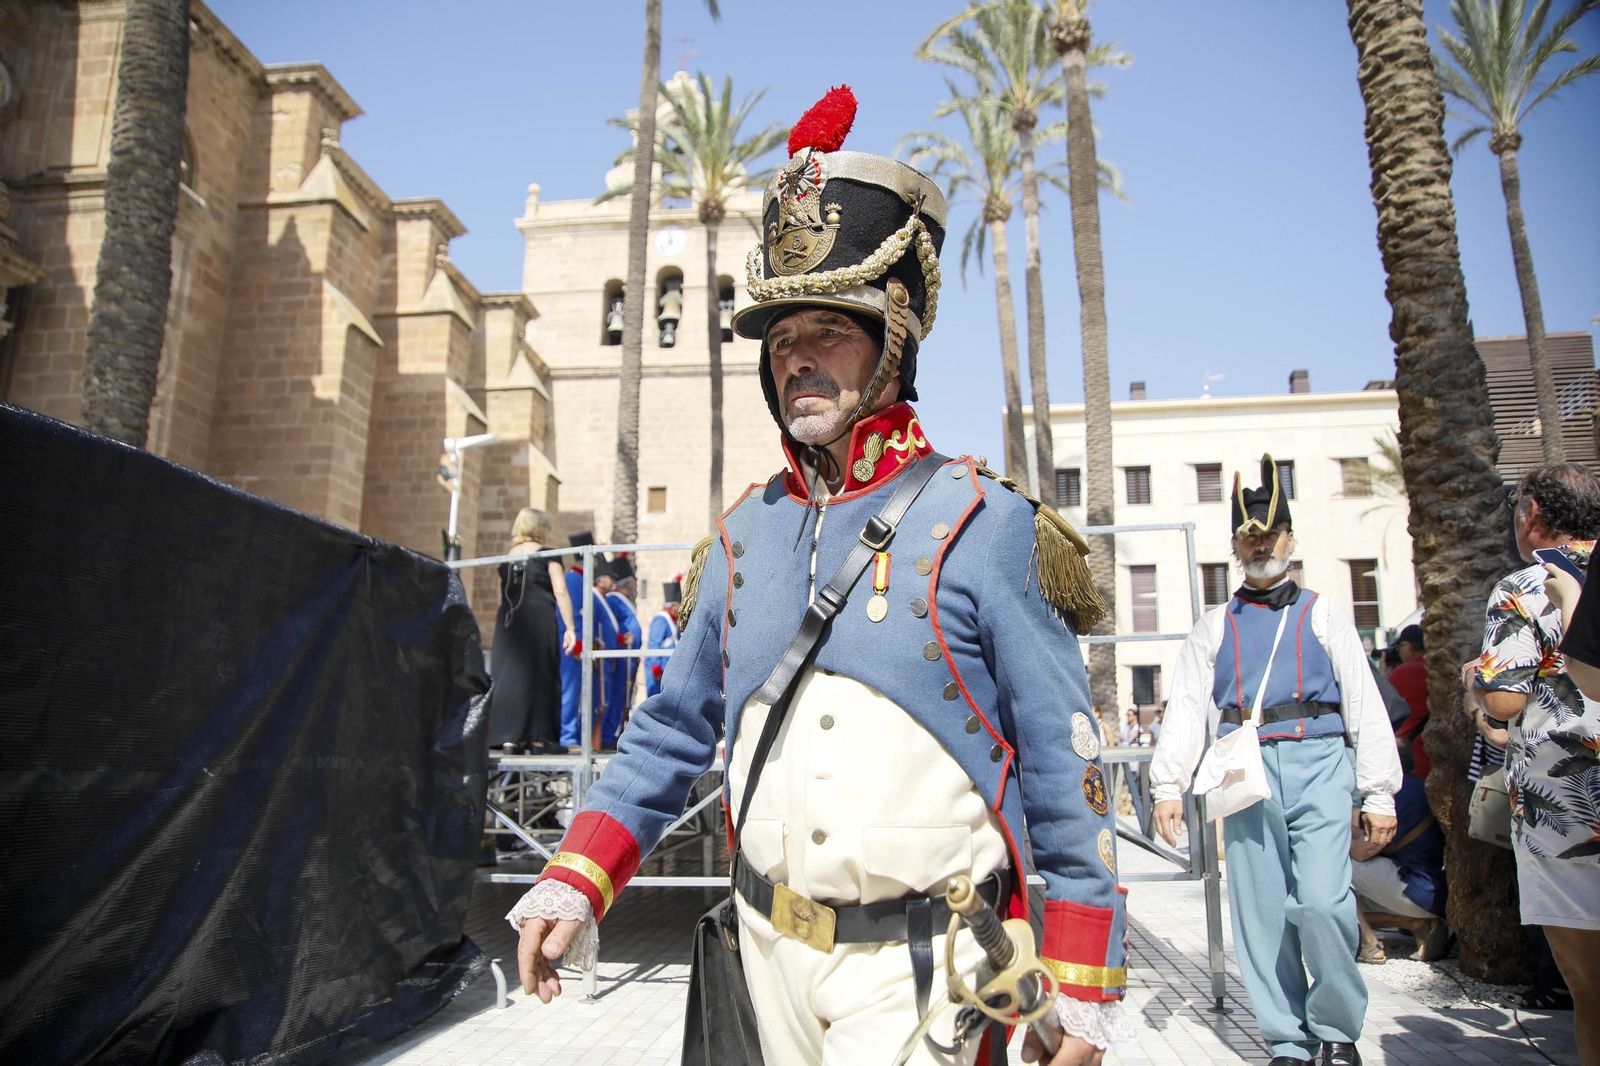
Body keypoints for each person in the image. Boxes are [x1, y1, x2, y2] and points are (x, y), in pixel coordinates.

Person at [506, 86, 1130, 1066]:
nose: (799, 361)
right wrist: (577, 875)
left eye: (829, 334)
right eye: (782, 341)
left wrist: (1082, 983)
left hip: (930, 970)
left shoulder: (988, 524)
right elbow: (670, 731)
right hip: (763, 962)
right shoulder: (744, 536)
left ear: (895, 342)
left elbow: (1064, 769)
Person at [1150, 456, 1401, 1066]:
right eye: (1249, 536)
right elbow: (1185, 707)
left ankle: (1338, 1031)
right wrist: (1166, 785)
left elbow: (1364, 702)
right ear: (1235, 546)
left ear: (1291, 538)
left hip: (1318, 762)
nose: (1260, 544)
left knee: (1322, 902)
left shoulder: (1324, 614)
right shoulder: (1213, 627)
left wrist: (1379, 792)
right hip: (1244, 771)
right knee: (1261, 914)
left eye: (1270, 534)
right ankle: (1287, 1040)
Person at [1469, 463, 1600, 1063]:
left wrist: (1477, 685)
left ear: (1531, 517)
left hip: (1564, 804)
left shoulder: (1524, 586)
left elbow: (1504, 700)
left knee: (1589, 986)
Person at [487, 509, 577, 756]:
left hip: (508, 621)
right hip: (539, 617)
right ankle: (539, 739)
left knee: (510, 676)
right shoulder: (548, 554)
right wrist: (570, 627)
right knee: (542, 673)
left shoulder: (507, 557)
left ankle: (510, 739)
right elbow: (560, 591)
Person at [1350, 752, 1451, 965]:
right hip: (1433, 891)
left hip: (1419, 893)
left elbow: (1360, 851)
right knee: (1351, 901)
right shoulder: (1418, 787)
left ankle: (1369, 944)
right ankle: (1413, 923)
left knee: (1335, 867)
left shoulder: (1402, 794)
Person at [556, 533, 616, 751]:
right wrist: (579, 639)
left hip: (584, 645)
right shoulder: (573, 579)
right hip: (574, 646)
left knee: (581, 693)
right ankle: (567, 736)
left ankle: (576, 735)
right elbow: (571, 613)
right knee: (571, 692)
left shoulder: (581, 581)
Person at [1387, 625, 1431, 780]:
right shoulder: (1433, 668)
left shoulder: (1403, 672)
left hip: (1411, 756)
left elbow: (1381, 704)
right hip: (1433, 750)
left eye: (1399, 646)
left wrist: (1384, 675)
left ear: (1410, 648)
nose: (1397, 651)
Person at [607, 556, 644, 715]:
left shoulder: (622, 601)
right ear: (628, 582)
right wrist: (621, 639)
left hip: (628, 658)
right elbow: (610, 629)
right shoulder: (614, 601)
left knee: (623, 697)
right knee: (616, 697)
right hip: (620, 657)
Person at [643, 577, 681, 699]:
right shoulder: (661, 619)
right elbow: (654, 644)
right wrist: (655, 667)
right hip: (659, 673)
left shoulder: (674, 621)